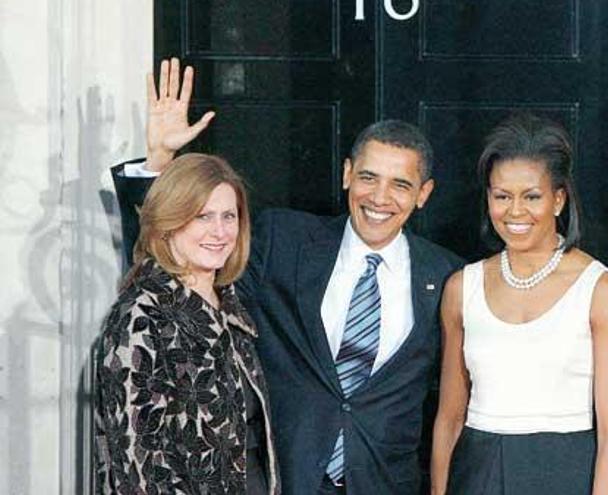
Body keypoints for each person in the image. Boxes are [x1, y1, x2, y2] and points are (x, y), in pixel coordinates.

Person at [111, 58, 464, 494]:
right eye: (368, 177)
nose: (380, 197)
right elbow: (176, 266)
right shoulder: (284, 240)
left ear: (423, 194)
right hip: (284, 481)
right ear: (347, 174)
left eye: (401, 185)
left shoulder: (446, 276)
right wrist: (159, 163)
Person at [430, 113, 608, 494]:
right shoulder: (463, 287)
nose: (515, 212)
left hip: (564, 473)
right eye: (501, 196)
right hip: (477, 473)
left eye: (531, 196)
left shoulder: (603, 292)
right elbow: (449, 419)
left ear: (558, 199)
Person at [94, 153, 280, 494]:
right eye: (202, 216)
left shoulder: (230, 305)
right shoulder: (141, 317)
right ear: (169, 222)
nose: (220, 231)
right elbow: (138, 471)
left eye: (229, 216)